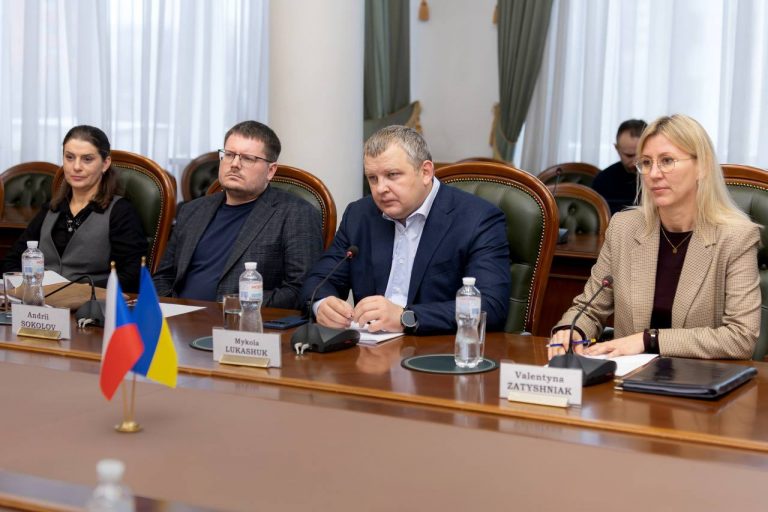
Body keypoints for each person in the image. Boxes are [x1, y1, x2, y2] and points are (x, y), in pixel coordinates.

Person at [549, 114, 760, 360]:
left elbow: (741, 337)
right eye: (646, 163)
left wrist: (648, 340)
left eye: (667, 161)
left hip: (699, 379)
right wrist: (571, 330)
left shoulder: (736, 237)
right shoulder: (624, 228)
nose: (654, 174)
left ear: (702, 166)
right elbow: (589, 308)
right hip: (626, 376)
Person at [300, 125, 510, 335]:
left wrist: (405, 317)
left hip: (435, 348)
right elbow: (318, 281)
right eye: (373, 178)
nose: (381, 188)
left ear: (425, 172)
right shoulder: (359, 215)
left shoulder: (477, 219)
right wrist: (322, 304)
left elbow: (491, 306)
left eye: (392, 175)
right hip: (368, 346)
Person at [152, 120, 323, 308]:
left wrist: (232, 306)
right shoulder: (192, 210)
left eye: (248, 158)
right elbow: (163, 277)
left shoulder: (296, 214)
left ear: (270, 170)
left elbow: (300, 291)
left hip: (242, 322)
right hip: (176, 318)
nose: (234, 164)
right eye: (229, 155)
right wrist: (172, 311)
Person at [1, 126, 147, 292]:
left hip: (92, 303)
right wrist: (31, 287)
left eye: (87, 159)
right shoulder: (52, 208)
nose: (76, 167)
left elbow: (132, 275)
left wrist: (79, 291)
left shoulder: (121, 212)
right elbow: (12, 261)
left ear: (105, 163)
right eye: (69, 157)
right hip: (40, 301)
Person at [592, 119, 647, 215]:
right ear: (617, 149)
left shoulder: (660, 177)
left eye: (641, 155)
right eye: (629, 155)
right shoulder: (603, 180)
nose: (636, 162)